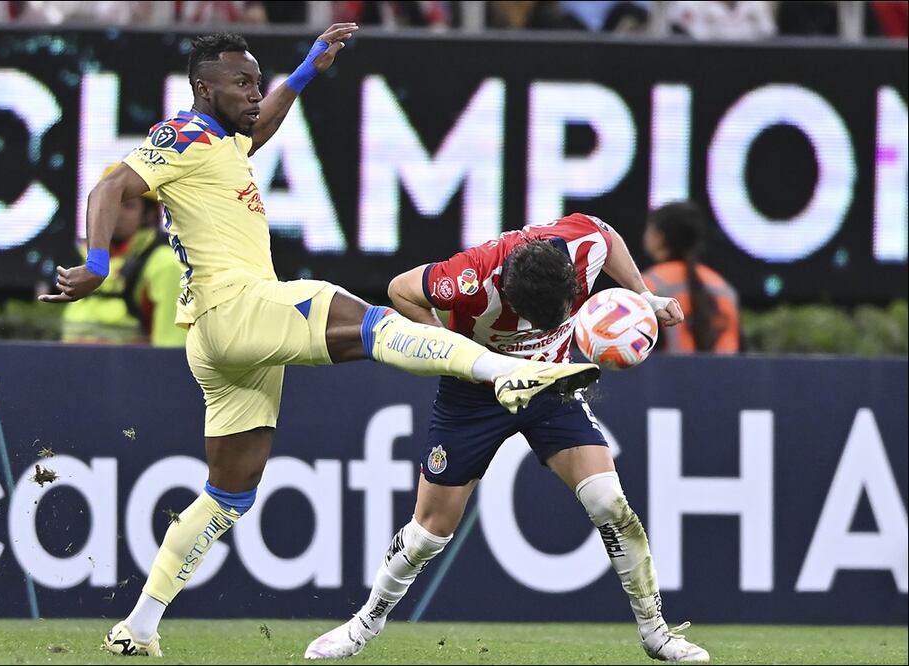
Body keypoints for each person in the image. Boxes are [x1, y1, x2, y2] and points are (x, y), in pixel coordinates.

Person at [40, 26, 602, 657]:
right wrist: (97, 262)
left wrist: (306, 70)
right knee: (371, 322)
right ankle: (504, 370)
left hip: (216, 337)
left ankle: (138, 626)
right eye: (241, 83)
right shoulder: (182, 134)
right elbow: (110, 186)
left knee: (228, 493)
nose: (254, 94)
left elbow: (260, 126)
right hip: (237, 307)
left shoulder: (222, 139)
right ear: (203, 87)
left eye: (257, 82)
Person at [305, 213, 708, 663]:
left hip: (550, 384)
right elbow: (401, 289)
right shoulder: (468, 277)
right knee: (428, 533)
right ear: (510, 297)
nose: (550, 327)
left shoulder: (579, 244)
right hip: (473, 394)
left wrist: (643, 294)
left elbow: (608, 234)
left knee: (609, 504)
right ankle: (365, 622)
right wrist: (451, 351)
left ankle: (655, 632)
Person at [62, 164, 186, 347]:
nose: (116, 212)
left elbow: (169, 349)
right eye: (109, 203)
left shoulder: (164, 264)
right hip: (71, 364)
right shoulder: (81, 257)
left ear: (148, 215)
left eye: (128, 205)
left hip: (129, 366)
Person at [642, 201, 739, 354]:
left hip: (666, 369)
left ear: (659, 237)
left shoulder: (648, 285)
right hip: (726, 370)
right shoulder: (724, 288)